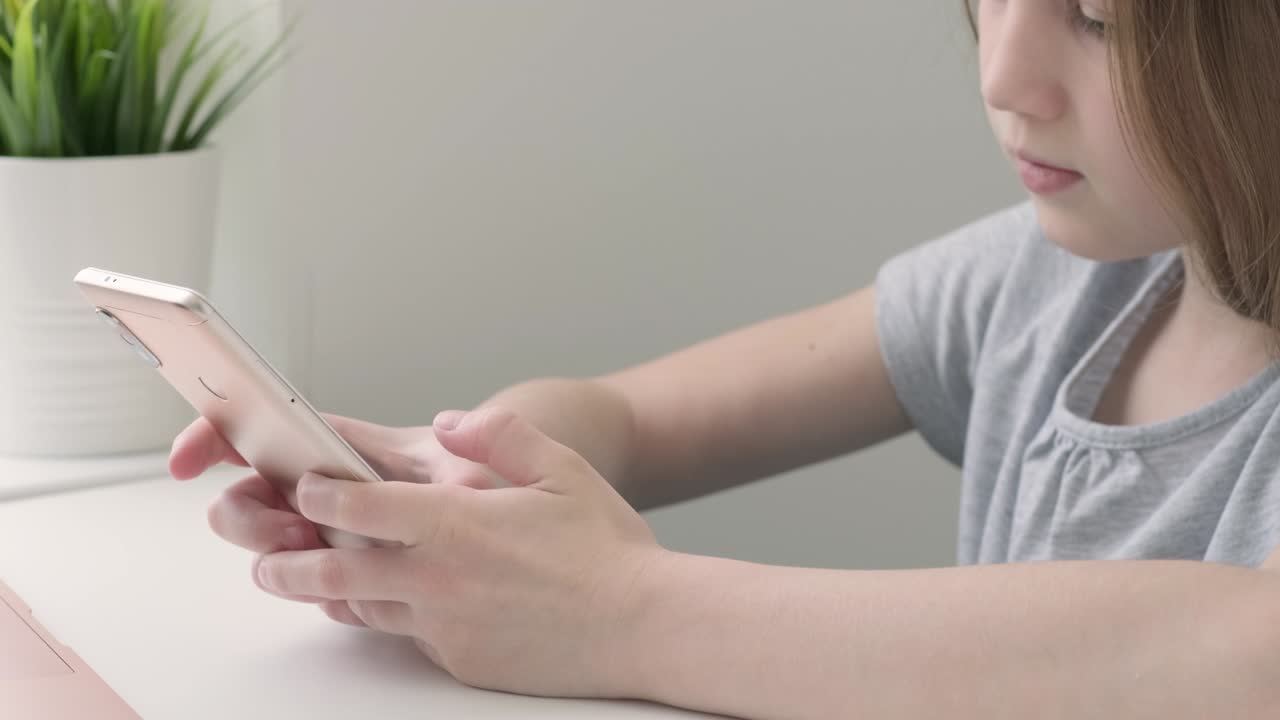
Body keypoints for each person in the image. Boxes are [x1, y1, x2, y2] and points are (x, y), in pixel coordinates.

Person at [168, 1, 1280, 718]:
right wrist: (456, 471)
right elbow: (631, 419)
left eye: (1096, 16)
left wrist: (617, 610)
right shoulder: (1047, 285)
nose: (1000, 70)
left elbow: (1238, 654)